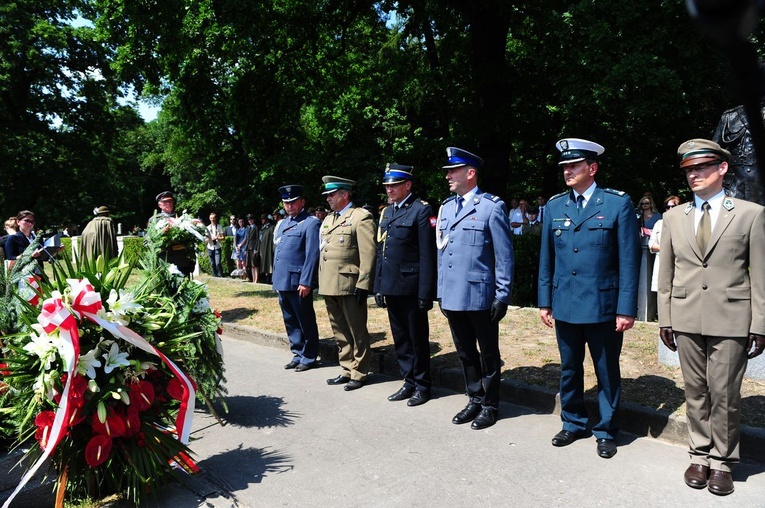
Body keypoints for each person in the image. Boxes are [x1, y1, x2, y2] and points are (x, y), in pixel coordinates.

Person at [658, 138, 765, 496]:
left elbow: (760, 274)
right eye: (689, 170)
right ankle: (699, 455)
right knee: (696, 391)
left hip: (732, 317)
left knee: (725, 393)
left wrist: (760, 324)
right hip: (687, 316)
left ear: (722, 168)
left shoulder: (750, 213)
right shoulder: (674, 217)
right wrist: (665, 318)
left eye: (701, 167)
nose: (694, 175)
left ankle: (722, 462)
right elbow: (667, 273)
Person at [537, 138, 640, 458]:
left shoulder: (616, 204)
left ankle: (606, 429)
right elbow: (546, 258)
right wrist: (544, 300)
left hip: (603, 306)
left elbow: (628, 260)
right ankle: (573, 422)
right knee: (569, 368)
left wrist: (626, 308)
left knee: (606, 369)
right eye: (564, 166)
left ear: (592, 168)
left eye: (573, 166)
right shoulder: (555, 206)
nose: (567, 171)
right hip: (565, 303)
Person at [436, 147, 514, 429]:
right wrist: (441, 292)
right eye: (447, 172)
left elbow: (504, 256)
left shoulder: (491, 207)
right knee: (465, 351)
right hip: (453, 296)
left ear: (470, 173)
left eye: (453, 171)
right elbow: (442, 254)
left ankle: (491, 405)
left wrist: (502, 295)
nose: (448, 177)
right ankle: (475, 398)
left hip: (481, 296)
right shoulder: (445, 207)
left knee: (489, 353)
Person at [374, 163, 437, 406]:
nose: (389, 190)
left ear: (407, 185)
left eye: (394, 185)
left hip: (411, 287)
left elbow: (427, 255)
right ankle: (408, 380)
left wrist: (426, 292)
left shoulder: (421, 210)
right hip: (390, 286)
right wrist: (378, 285)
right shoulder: (387, 213)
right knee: (400, 337)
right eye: (387, 186)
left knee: (417, 338)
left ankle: (422, 384)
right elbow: (382, 252)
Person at [319, 175, 376, 391]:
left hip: (350, 284)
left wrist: (364, 284)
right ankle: (346, 367)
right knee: (339, 329)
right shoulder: (328, 219)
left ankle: (360, 372)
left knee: (356, 329)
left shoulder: (360, 217)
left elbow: (368, 254)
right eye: (327, 195)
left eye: (332, 195)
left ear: (344, 194)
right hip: (329, 283)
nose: (328, 199)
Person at [273, 185, 321, 371]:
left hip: (298, 281)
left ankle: (309, 357)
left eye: (293, 202)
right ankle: (298, 352)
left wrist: (307, 280)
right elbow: (279, 253)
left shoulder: (310, 223)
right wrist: (276, 279)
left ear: (302, 202)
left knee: (305, 319)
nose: (289, 206)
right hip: (283, 280)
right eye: (286, 203)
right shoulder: (283, 223)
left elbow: (312, 254)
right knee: (290, 320)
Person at [153, 191, 196, 277]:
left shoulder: (183, 218)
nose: (168, 203)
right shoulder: (155, 220)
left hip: (183, 261)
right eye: (165, 202)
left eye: (170, 201)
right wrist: (161, 234)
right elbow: (147, 242)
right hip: (166, 262)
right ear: (159, 205)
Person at [648, 195, 680, 293]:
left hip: (678, 265)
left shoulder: (683, 223)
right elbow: (651, 245)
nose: (670, 209)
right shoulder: (659, 223)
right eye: (667, 207)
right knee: (662, 293)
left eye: (673, 206)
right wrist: (666, 248)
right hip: (660, 263)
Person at [205, 212, 225, 277]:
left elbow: (223, 238)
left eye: (213, 218)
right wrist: (209, 239)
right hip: (210, 247)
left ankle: (221, 275)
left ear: (216, 218)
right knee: (212, 263)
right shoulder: (207, 228)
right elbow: (205, 239)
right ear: (209, 219)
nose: (212, 219)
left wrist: (217, 238)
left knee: (218, 263)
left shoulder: (219, 227)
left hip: (217, 247)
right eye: (211, 218)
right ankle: (215, 275)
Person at [258, 214, 275, 284]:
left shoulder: (271, 227)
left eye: (263, 219)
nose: (262, 220)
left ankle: (269, 278)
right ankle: (265, 277)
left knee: (269, 263)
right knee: (264, 263)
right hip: (263, 248)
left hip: (268, 248)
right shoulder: (263, 228)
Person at [244, 213, 260, 282]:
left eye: (251, 220)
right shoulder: (248, 228)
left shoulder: (256, 228)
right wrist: (245, 249)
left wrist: (256, 248)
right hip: (249, 248)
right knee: (250, 265)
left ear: (253, 220)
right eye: (249, 220)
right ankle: (253, 279)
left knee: (255, 264)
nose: (250, 221)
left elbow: (257, 239)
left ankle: (256, 279)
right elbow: (247, 239)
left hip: (254, 248)